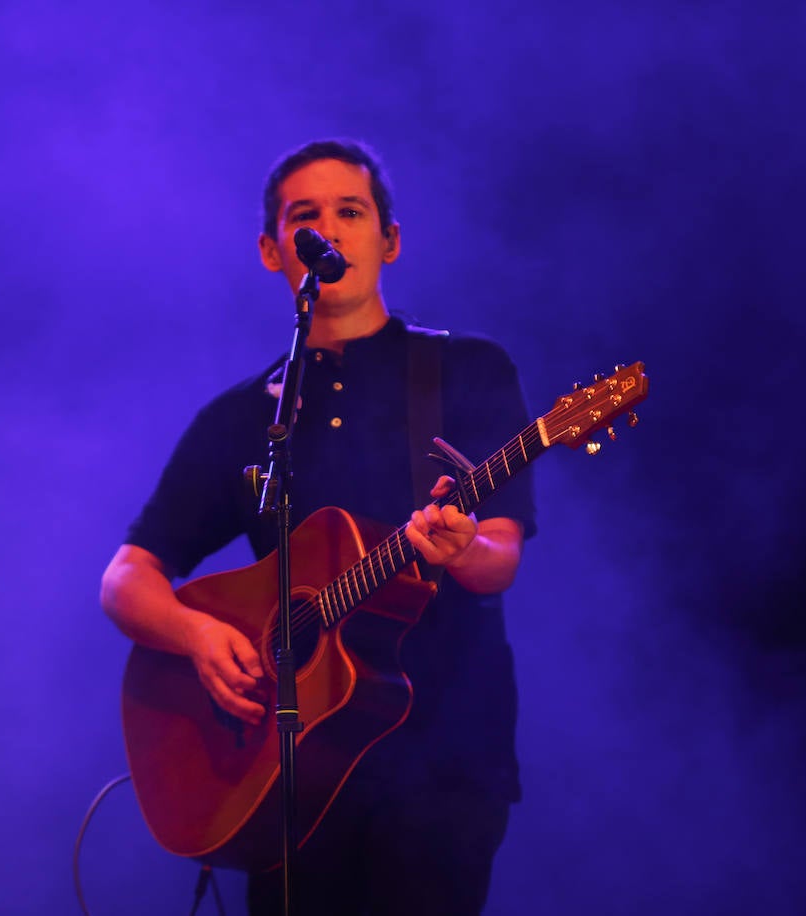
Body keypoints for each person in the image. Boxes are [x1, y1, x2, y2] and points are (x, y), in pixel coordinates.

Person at [101, 139, 537, 915]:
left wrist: (465, 547)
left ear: (389, 240)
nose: (330, 231)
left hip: (444, 764)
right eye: (307, 219)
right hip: (284, 781)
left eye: (351, 212)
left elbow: (502, 549)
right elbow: (126, 579)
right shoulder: (244, 417)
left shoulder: (465, 371)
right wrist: (200, 638)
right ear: (274, 252)